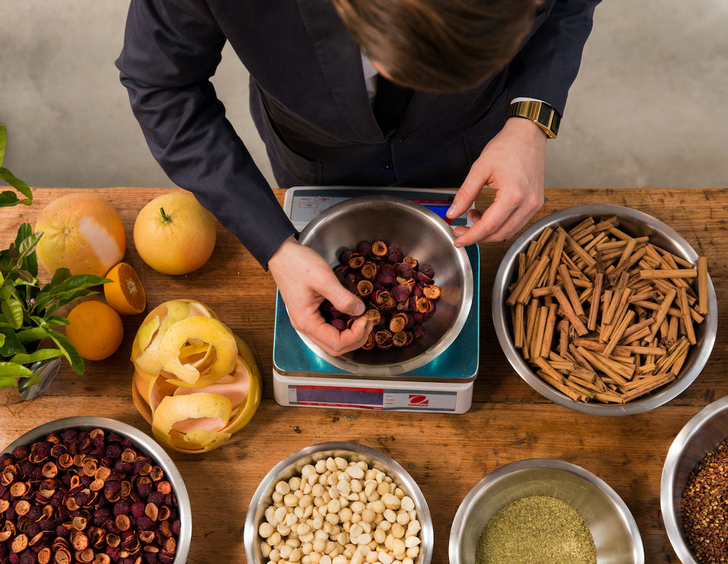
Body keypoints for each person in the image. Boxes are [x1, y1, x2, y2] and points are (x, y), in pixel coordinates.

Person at [116, 0, 601, 357]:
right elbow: (162, 84)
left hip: (467, 137)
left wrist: (530, 119)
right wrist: (277, 247)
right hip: (315, 149)